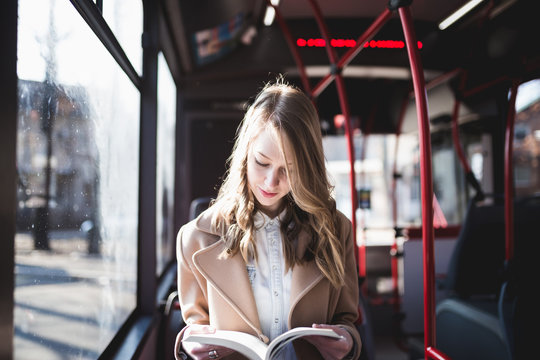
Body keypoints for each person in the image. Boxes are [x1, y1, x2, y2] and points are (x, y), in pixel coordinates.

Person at [174, 78, 361, 360]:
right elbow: (195, 327)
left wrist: (348, 341)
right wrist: (189, 344)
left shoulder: (336, 230)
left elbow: (347, 320)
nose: (271, 182)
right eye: (262, 163)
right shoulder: (194, 238)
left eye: (289, 169)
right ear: (245, 152)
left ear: (307, 168)